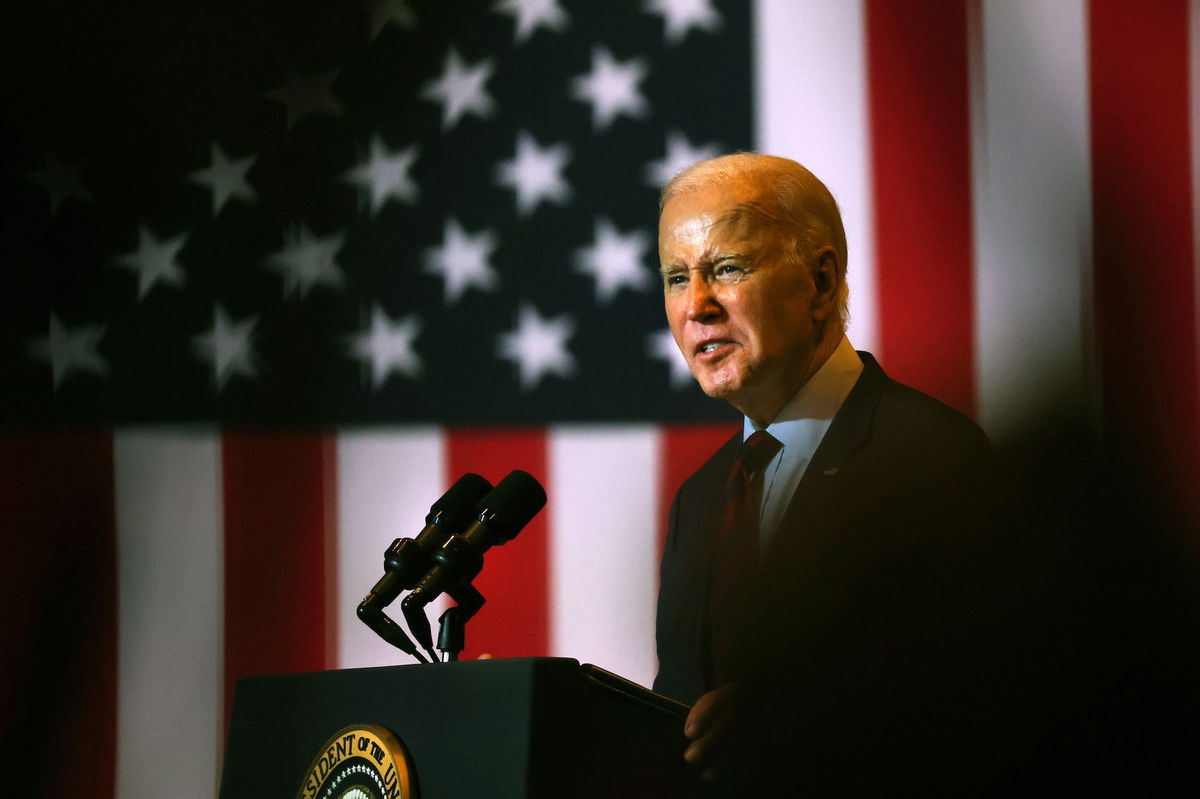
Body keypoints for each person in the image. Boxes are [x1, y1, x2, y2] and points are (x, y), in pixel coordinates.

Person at [652, 153, 1001, 793]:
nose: (697, 305)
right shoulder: (699, 500)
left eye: (727, 269)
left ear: (821, 280)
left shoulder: (934, 458)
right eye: (677, 278)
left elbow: (994, 700)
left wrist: (803, 723)